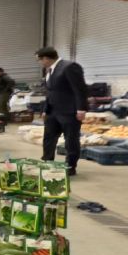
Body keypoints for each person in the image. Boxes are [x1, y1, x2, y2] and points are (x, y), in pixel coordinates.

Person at [36, 47, 88, 176]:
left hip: (69, 111)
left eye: (40, 60)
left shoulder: (69, 67)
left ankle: (70, 166)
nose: (40, 63)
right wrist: (45, 109)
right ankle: (47, 162)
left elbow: (80, 89)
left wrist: (81, 109)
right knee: (48, 138)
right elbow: (50, 91)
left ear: (46, 58)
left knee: (70, 140)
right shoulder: (50, 70)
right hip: (53, 111)